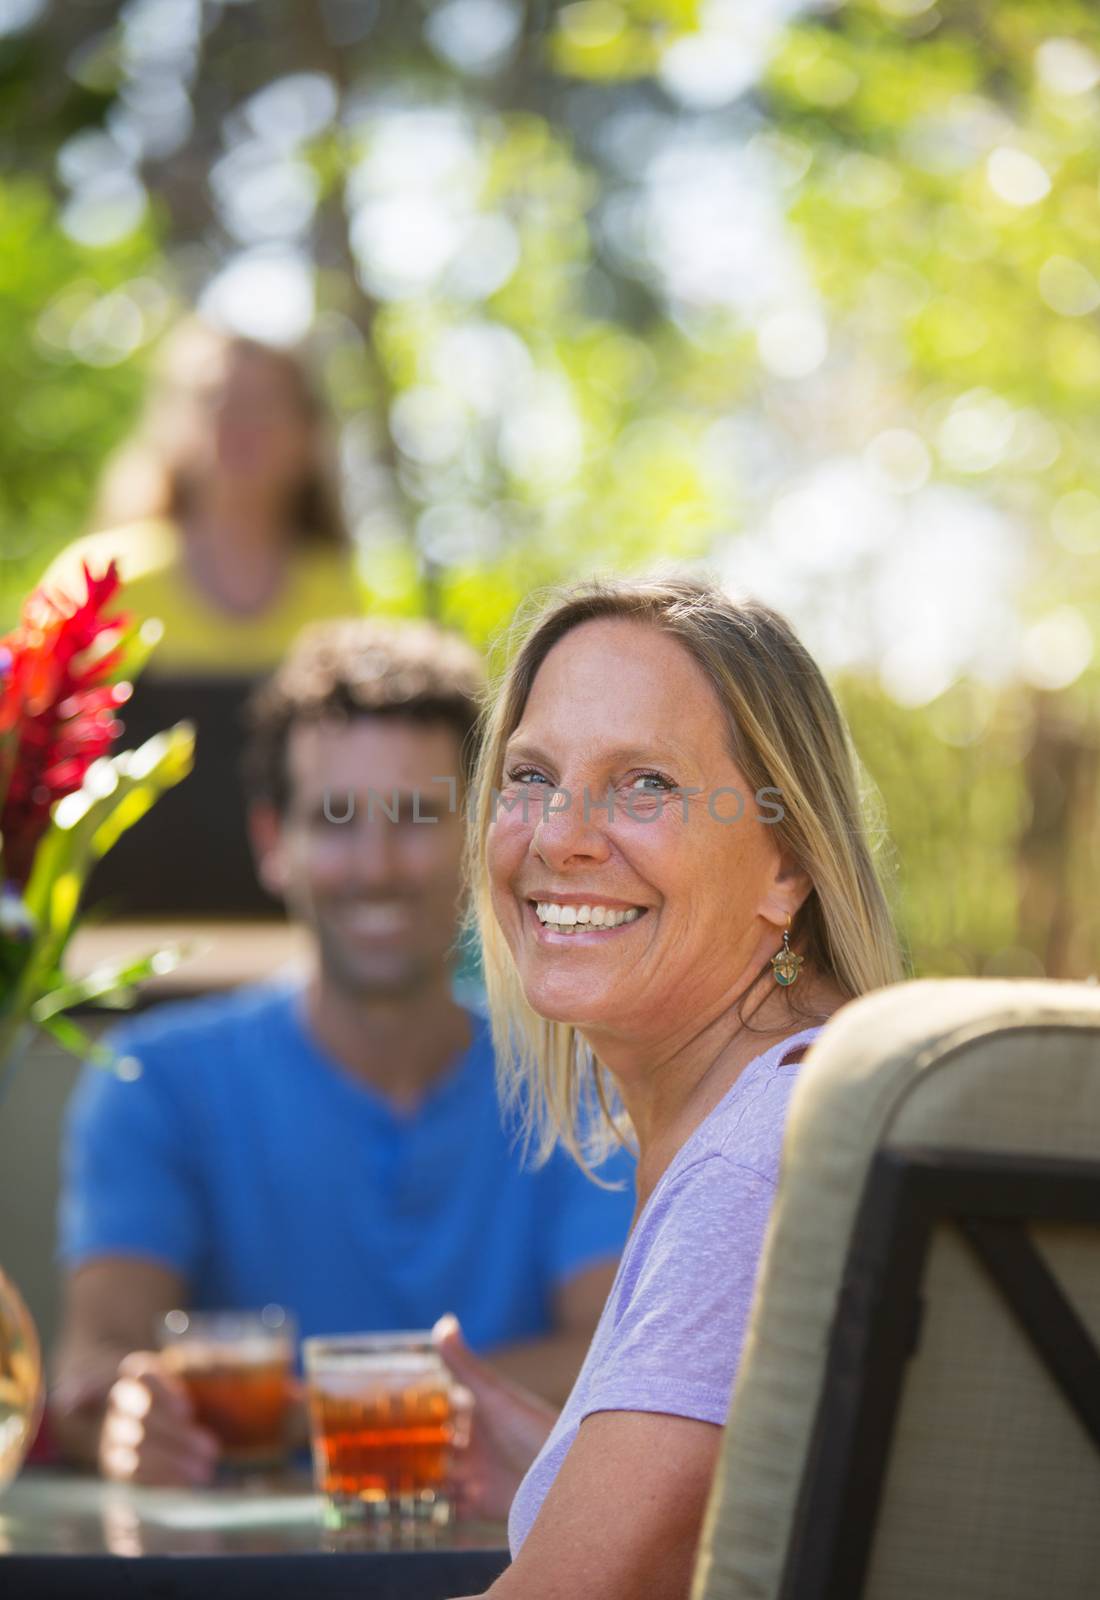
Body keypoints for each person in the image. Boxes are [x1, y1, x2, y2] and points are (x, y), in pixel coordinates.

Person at [49, 617, 636, 1485]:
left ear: (481, 839)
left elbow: (609, 1363)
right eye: (334, 817)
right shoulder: (152, 1084)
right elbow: (97, 1355)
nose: (375, 864)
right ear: (270, 843)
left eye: (415, 815)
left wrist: (301, 1410)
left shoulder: (578, 1078)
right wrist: (125, 1417)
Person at [430, 573, 907, 1599]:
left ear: (787, 863)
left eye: (641, 782)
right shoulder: (792, 1108)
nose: (558, 835)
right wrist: (568, 1461)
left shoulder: (757, 1162)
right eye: (528, 775)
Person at [37, 316, 358, 674]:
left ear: (308, 433)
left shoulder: (337, 594)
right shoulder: (99, 576)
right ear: (172, 423)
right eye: (218, 400)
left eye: (267, 404)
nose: (244, 426)